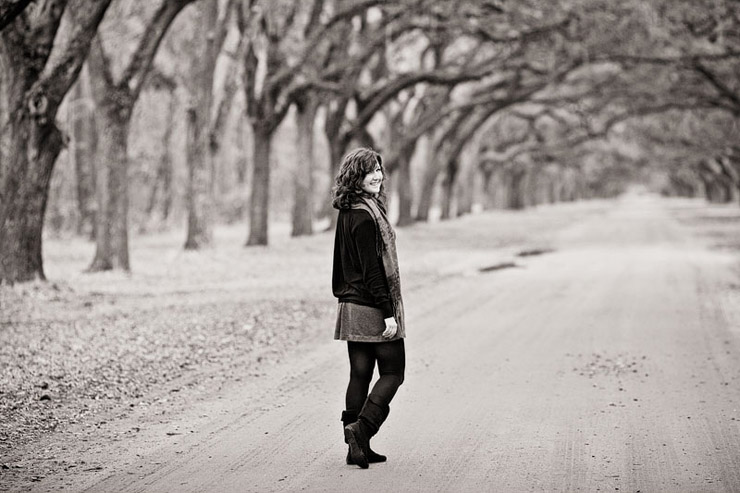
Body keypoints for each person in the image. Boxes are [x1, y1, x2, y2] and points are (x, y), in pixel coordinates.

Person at [331, 147, 406, 469]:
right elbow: (373, 269)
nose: (378, 175)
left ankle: (356, 448)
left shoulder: (350, 209)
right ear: (355, 176)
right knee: (392, 372)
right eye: (370, 170)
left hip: (351, 303)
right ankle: (361, 430)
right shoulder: (364, 216)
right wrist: (388, 311)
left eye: (379, 169)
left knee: (360, 374)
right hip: (371, 305)